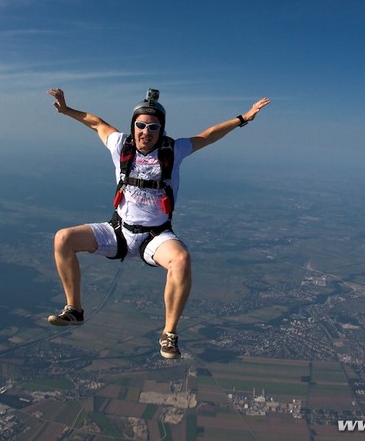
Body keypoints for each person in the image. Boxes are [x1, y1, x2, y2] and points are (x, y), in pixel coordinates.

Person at [45, 87, 271, 359]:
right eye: (140, 125)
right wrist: (67, 110)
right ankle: (74, 309)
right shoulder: (120, 144)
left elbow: (209, 135)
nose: (146, 132)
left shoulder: (173, 150)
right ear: (133, 126)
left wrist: (243, 118)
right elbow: (96, 123)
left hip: (155, 236)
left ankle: (169, 334)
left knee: (181, 260)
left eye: (153, 127)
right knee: (64, 238)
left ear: (161, 130)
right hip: (118, 230)